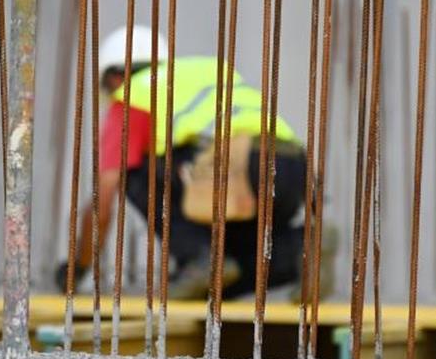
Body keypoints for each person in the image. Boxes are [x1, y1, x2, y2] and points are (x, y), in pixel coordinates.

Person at [56, 25, 330, 300]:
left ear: (116, 77)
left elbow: (104, 194)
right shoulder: (208, 73)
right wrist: (315, 208)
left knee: (135, 174)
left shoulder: (134, 95)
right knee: (224, 276)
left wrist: (78, 267)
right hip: (293, 169)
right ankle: (301, 247)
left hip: (233, 168)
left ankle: (201, 259)